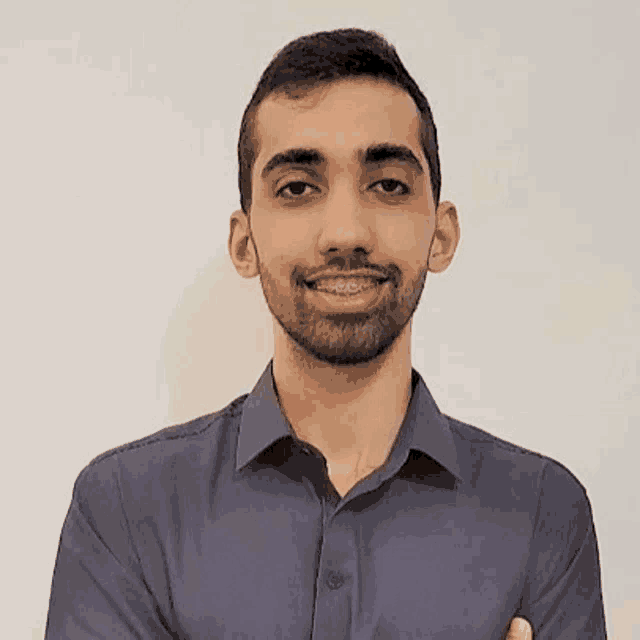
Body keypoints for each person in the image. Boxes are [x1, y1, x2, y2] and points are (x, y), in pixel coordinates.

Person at [45, 28, 606, 639]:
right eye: (298, 189)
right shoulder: (126, 512)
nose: (345, 231)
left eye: (388, 185)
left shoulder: (544, 516)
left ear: (440, 235)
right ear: (244, 241)